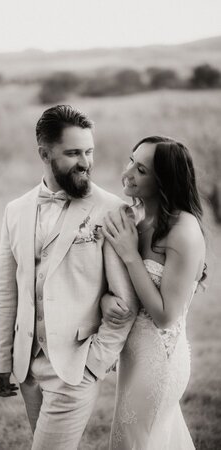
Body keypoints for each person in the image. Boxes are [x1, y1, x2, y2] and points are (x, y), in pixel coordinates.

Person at [0, 105, 138, 449]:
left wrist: (95, 363)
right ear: (44, 153)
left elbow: (126, 301)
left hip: (75, 367)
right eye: (73, 153)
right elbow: (5, 290)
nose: (85, 161)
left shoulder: (112, 209)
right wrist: (2, 360)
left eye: (89, 151)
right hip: (27, 367)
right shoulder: (16, 210)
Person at [101, 136, 206, 450]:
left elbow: (164, 315)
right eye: (131, 160)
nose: (128, 172)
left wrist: (130, 255)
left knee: (133, 443)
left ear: (164, 181)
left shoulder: (183, 231)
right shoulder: (136, 220)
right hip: (131, 356)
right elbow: (122, 285)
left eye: (141, 169)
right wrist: (107, 300)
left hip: (159, 362)